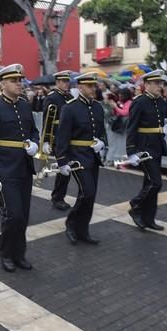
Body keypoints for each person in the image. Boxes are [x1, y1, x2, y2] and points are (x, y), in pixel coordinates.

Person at [0, 63, 39, 272]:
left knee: (24, 214)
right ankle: (5, 251)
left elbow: (34, 131)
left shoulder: (24, 104)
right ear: (3, 83)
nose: (19, 84)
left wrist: (35, 143)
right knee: (13, 215)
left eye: (20, 80)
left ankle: (19, 253)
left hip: (24, 166)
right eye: (14, 80)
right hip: (4, 168)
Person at [55, 72, 107, 245]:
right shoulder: (70, 108)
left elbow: (102, 131)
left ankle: (83, 230)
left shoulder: (98, 107)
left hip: (93, 156)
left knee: (90, 196)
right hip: (77, 156)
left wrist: (102, 143)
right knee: (87, 192)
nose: (93, 89)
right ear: (80, 87)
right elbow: (62, 137)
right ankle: (71, 223)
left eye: (94, 86)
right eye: (89, 86)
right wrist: (62, 160)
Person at [125, 70, 167, 231]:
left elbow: (159, 122)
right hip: (144, 147)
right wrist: (131, 151)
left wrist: (163, 129)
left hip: (156, 145)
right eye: (157, 83)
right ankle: (136, 204)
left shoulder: (160, 101)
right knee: (155, 182)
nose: (160, 86)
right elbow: (131, 128)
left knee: (149, 182)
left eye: (161, 83)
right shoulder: (140, 102)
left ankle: (148, 218)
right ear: (147, 85)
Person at [42, 70, 74, 210]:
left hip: (70, 136)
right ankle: (57, 198)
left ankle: (59, 196)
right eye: (64, 81)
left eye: (68, 81)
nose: (67, 84)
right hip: (57, 137)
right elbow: (47, 120)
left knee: (68, 168)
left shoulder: (70, 96)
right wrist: (46, 141)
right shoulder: (52, 97)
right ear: (57, 82)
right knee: (63, 167)